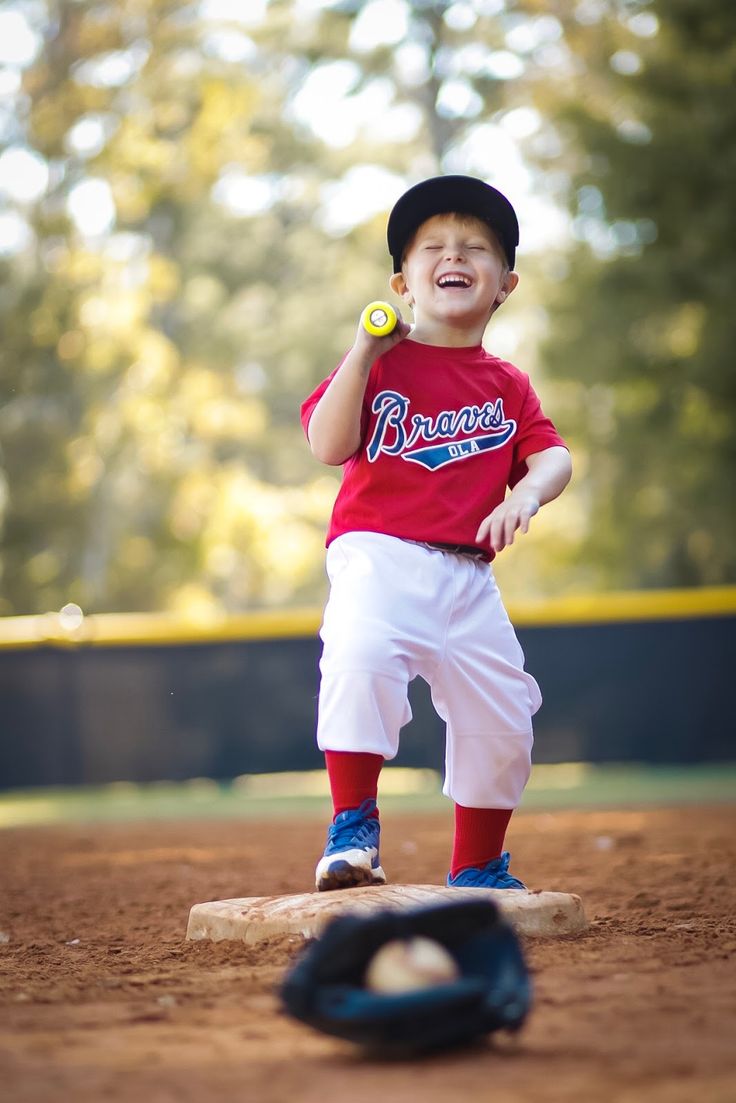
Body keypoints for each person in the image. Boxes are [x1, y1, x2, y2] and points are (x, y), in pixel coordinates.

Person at [300, 175, 572, 893]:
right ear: (403, 280)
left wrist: (529, 494)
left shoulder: (507, 384)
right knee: (359, 658)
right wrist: (361, 352)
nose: (455, 255)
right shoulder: (381, 361)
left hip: (469, 577)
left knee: (504, 709)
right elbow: (328, 444)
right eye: (435, 247)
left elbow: (553, 455)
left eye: (476, 247)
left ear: (505, 283)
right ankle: (353, 827)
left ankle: (478, 862)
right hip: (377, 552)